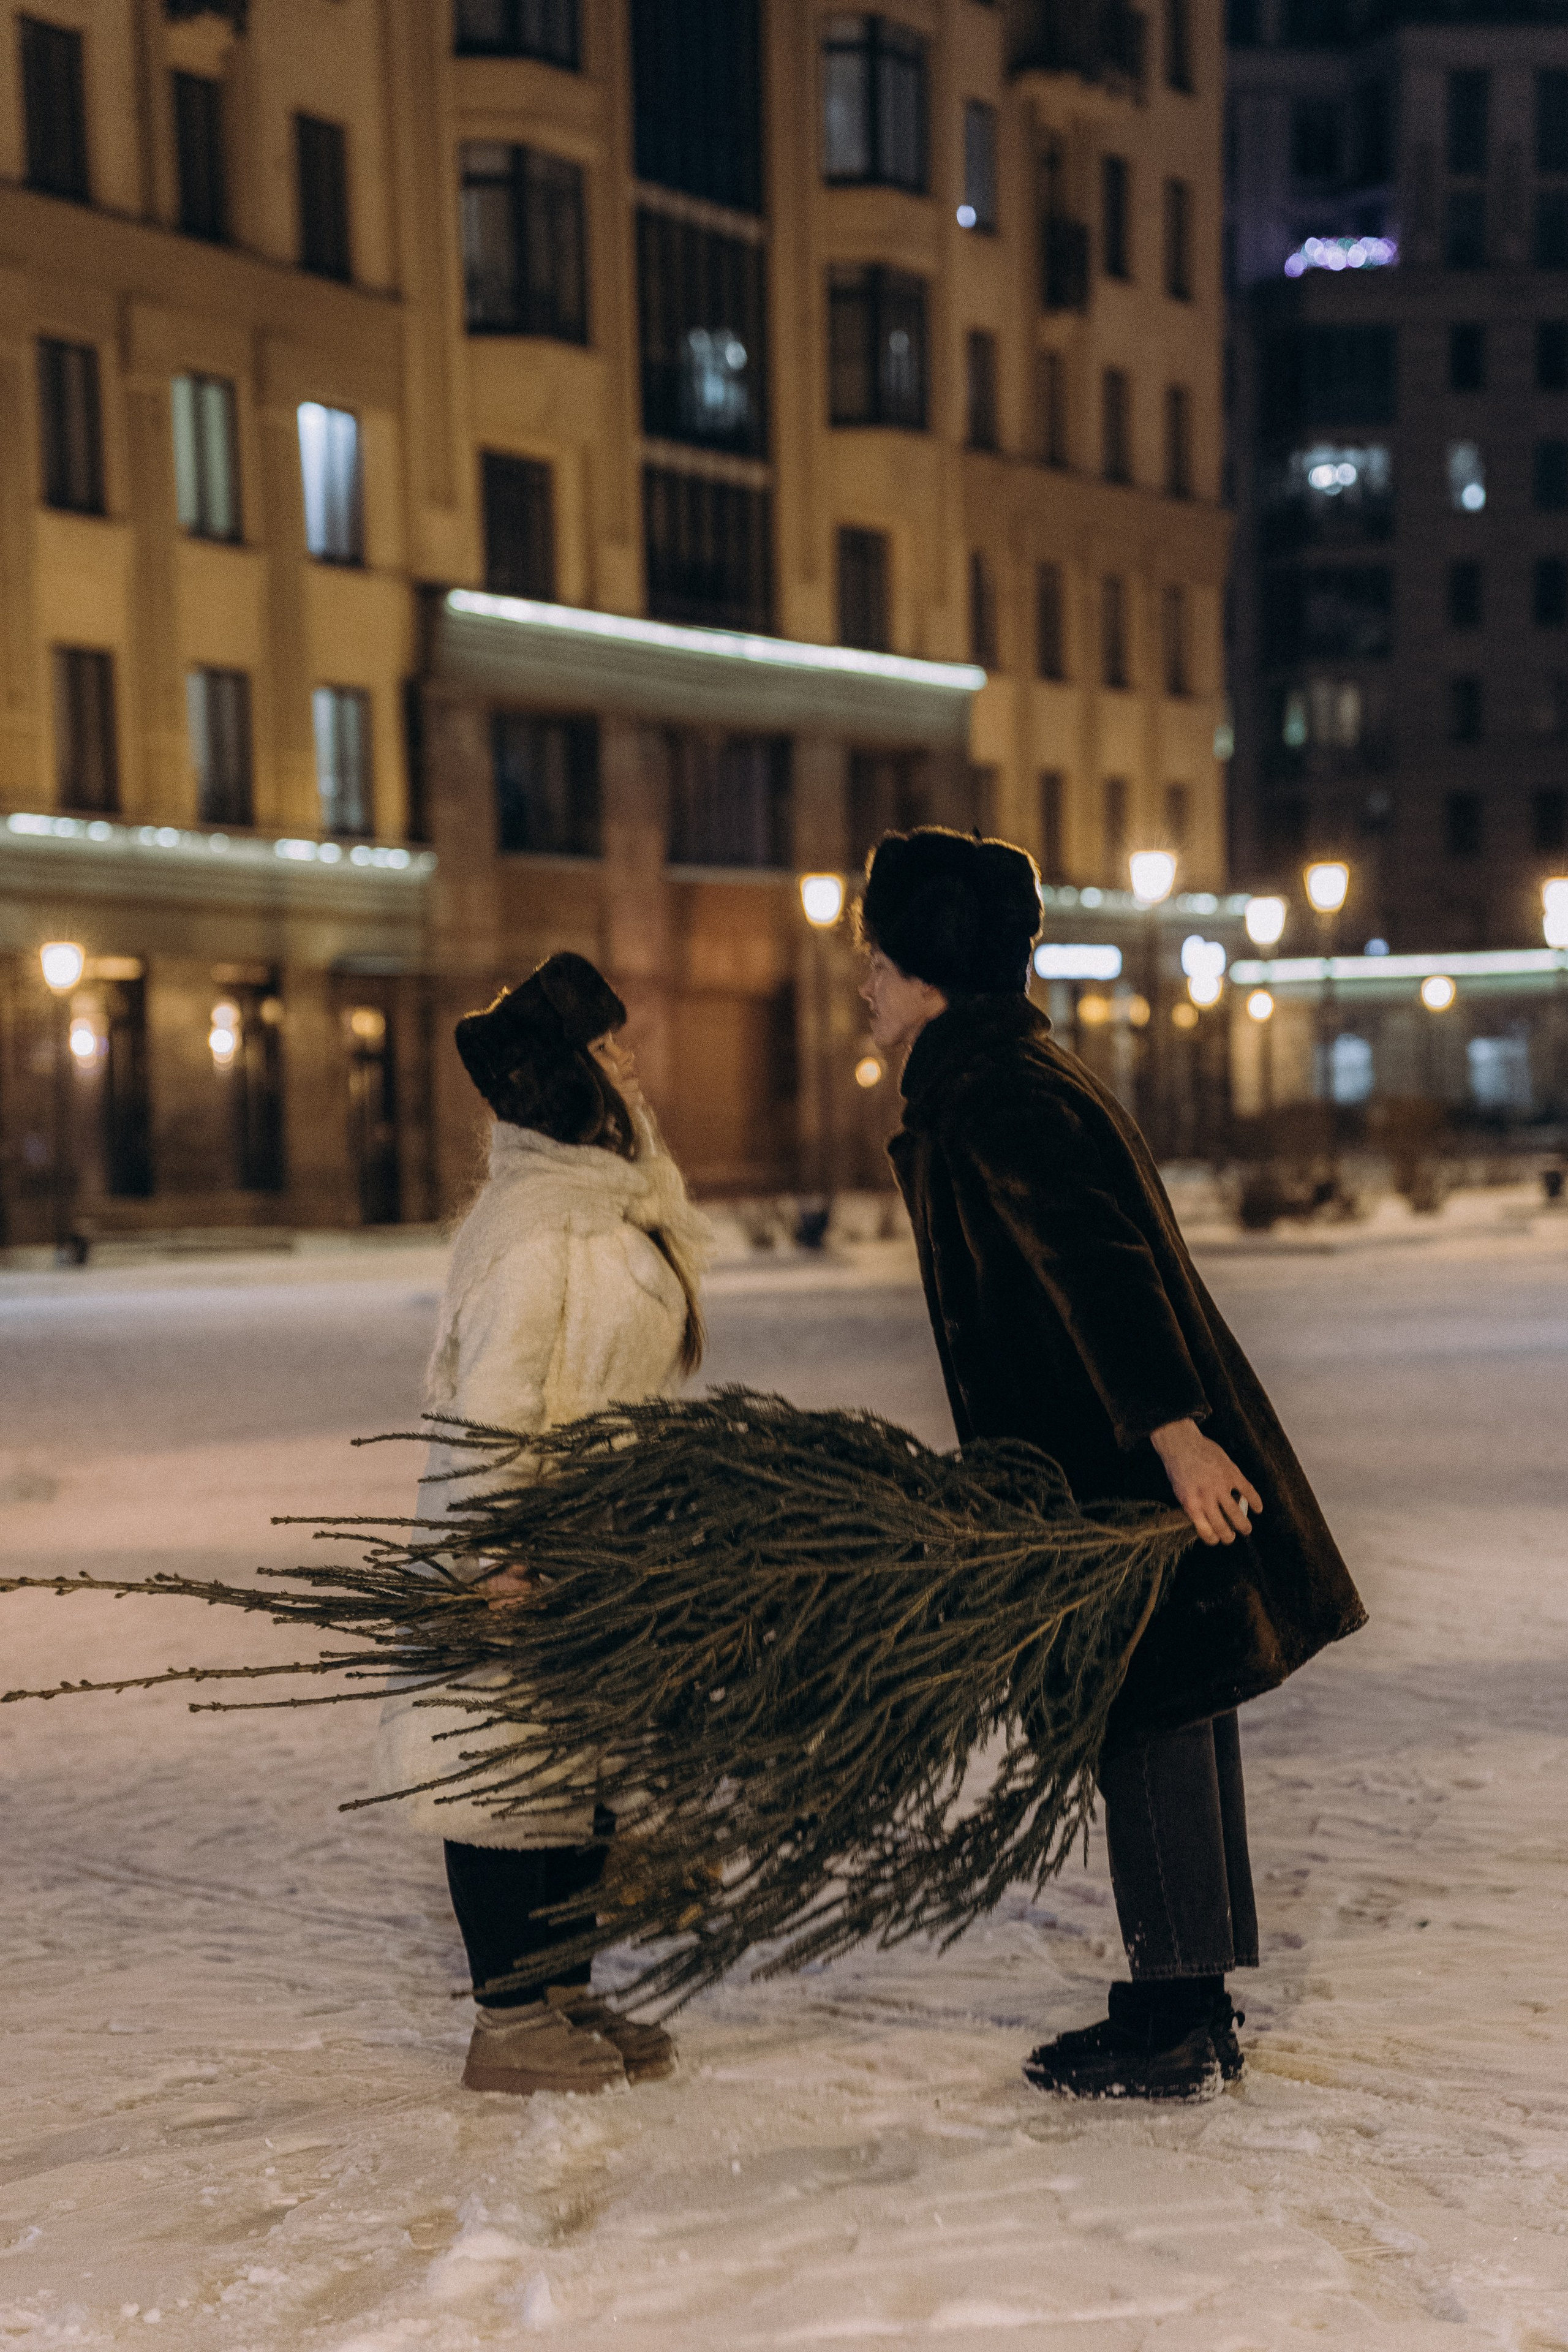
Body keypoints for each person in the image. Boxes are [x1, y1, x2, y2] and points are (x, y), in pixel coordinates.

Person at [858, 828, 1366, 2101]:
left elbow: (1101, 1267)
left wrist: (1171, 1432)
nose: (859, 983)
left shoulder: (997, 1091)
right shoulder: (1004, 1072)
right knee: (1167, 1709)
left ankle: (1173, 2018)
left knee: (1142, 1710)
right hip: (1100, 1450)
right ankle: (1182, 1995)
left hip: (1111, 1459)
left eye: (872, 959)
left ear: (925, 968)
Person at [374, 952, 712, 2098]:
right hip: (522, 1550)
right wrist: (494, 1553)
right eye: (612, 1048)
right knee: (504, 1767)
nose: (633, 1063)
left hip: (600, 1544)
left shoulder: (606, 1203)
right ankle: (508, 2018)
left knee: (580, 1773)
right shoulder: (536, 1232)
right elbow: (494, 1412)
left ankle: (561, 1990)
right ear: (576, 1075)